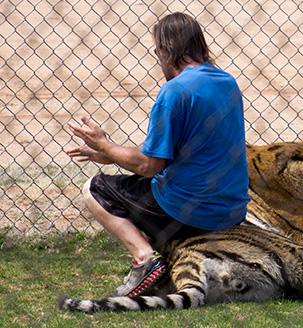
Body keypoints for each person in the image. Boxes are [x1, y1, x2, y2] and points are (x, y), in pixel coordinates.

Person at [66, 12, 250, 297]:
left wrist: (104, 145)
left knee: (94, 189)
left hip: (192, 212)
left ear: (166, 50)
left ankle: (144, 259)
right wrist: (113, 155)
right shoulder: (227, 83)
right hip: (231, 211)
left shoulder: (173, 91)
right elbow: (178, 153)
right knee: (149, 189)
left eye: (157, 52)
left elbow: (149, 166)